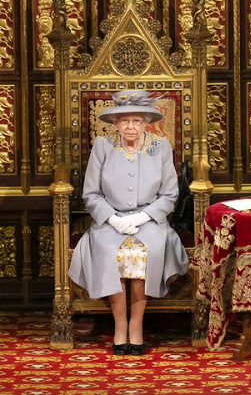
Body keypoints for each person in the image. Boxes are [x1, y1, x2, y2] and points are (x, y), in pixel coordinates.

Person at [68, 90, 189, 355]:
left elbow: (170, 194)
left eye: (136, 120)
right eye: (124, 121)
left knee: (144, 253)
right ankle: (119, 324)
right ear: (116, 123)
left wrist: (143, 216)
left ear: (146, 121)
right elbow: (91, 193)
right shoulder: (103, 146)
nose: (130, 127)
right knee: (113, 252)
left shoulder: (161, 147)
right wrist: (111, 218)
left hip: (150, 221)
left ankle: (136, 324)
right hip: (108, 221)